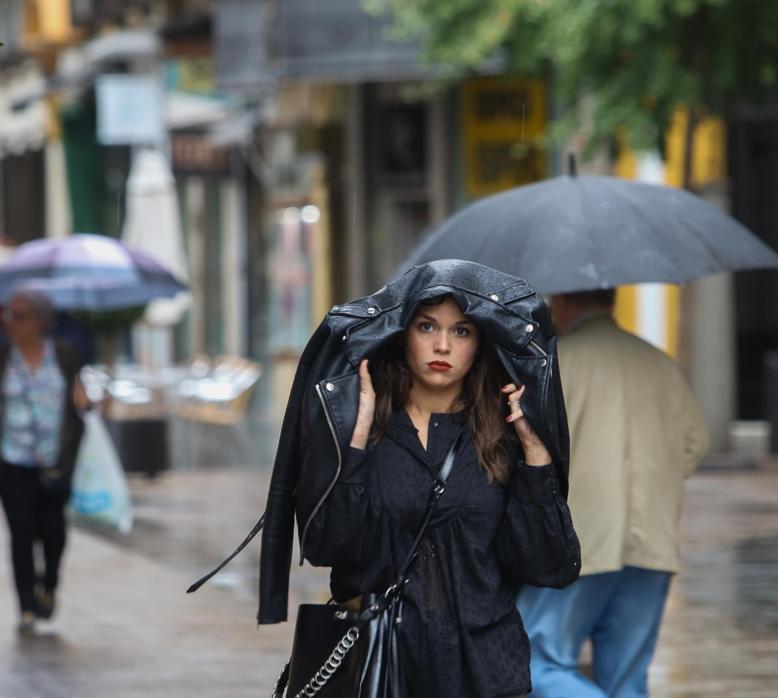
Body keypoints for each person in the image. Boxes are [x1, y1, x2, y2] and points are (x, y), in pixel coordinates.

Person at [192, 260, 581, 697]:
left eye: (461, 331)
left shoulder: (501, 440)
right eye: (427, 327)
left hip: (484, 670)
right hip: (379, 666)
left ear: (479, 344)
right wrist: (355, 440)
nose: (443, 346)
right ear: (403, 335)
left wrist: (535, 456)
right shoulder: (366, 435)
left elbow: (549, 565)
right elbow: (328, 546)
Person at [517, 290, 709, 698]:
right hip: (652, 543)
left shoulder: (558, 362)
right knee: (627, 679)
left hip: (579, 543)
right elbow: (696, 441)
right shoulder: (658, 362)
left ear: (563, 304)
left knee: (534, 663)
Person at [0, 290, 90, 634]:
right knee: (21, 532)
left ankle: (49, 583)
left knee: (54, 532)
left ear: (41, 322)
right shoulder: (0, 358)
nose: (10, 322)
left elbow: (81, 405)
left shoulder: (64, 356)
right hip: (11, 461)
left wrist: (85, 400)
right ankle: (27, 606)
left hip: (55, 460)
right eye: (8, 315)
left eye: (19, 315)